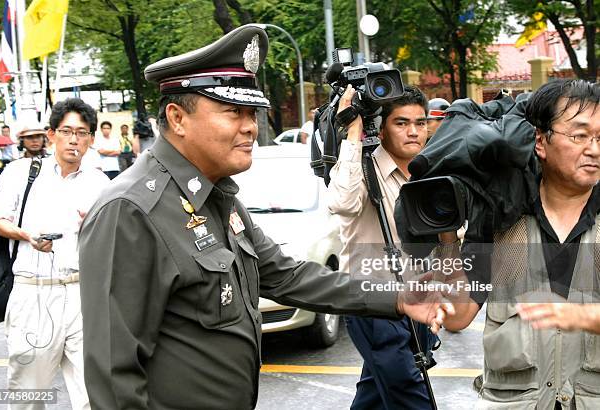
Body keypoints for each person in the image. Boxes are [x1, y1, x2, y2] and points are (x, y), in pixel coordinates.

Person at [77, 24, 453, 409]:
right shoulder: (131, 211)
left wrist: (398, 297)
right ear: (177, 118)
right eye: (232, 112)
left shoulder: (218, 198)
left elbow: (288, 276)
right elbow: (113, 375)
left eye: (252, 113)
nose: (250, 127)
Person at [436, 79, 600, 409]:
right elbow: (456, 317)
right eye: (580, 135)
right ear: (540, 141)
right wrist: (448, 237)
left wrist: (585, 317)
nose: (594, 149)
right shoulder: (500, 218)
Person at [0, 98, 110, 410]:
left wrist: (93, 227)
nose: (74, 139)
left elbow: (112, 236)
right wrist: (27, 235)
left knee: (94, 393)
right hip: (34, 293)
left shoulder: (100, 182)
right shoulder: (20, 173)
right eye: (67, 131)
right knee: (29, 393)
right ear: (51, 134)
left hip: (83, 294)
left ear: (91, 139)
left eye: (82, 133)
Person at [327, 85, 437, 410]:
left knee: (374, 396)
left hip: (419, 304)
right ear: (382, 127)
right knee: (412, 397)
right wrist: (353, 131)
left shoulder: (429, 173)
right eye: (401, 123)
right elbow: (341, 203)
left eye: (420, 122)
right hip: (374, 307)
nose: (414, 131)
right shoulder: (362, 170)